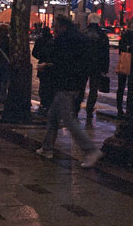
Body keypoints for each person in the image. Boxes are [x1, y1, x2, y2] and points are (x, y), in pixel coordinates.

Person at [35, 15, 104, 168]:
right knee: (53, 116)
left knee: (68, 119)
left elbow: (61, 62)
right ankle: (47, 148)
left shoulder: (64, 41)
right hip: (77, 83)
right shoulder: (81, 38)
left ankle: (90, 150)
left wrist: (46, 66)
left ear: (62, 27)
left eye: (55, 26)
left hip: (65, 84)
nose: (53, 29)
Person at [82, 14, 110, 120]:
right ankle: (89, 108)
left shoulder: (83, 33)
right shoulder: (103, 35)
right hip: (97, 65)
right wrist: (105, 68)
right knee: (93, 89)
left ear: (88, 21)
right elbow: (105, 54)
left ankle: (76, 106)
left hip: (84, 64)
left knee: (81, 86)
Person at [32, 27, 55, 116]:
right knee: (49, 85)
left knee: (42, 84)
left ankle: (43, 101)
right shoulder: (53, 41)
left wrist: (40, 57)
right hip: (50, 66)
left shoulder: (39, 40)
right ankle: (48, 102)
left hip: (42, 65)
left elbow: (34, 53)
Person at [115, 25, 133, 119]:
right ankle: (129, 108)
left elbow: (120, 49)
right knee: (132, 88)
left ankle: (119, 109)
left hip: (123, 63)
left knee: (121, 87)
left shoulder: (124, 37)